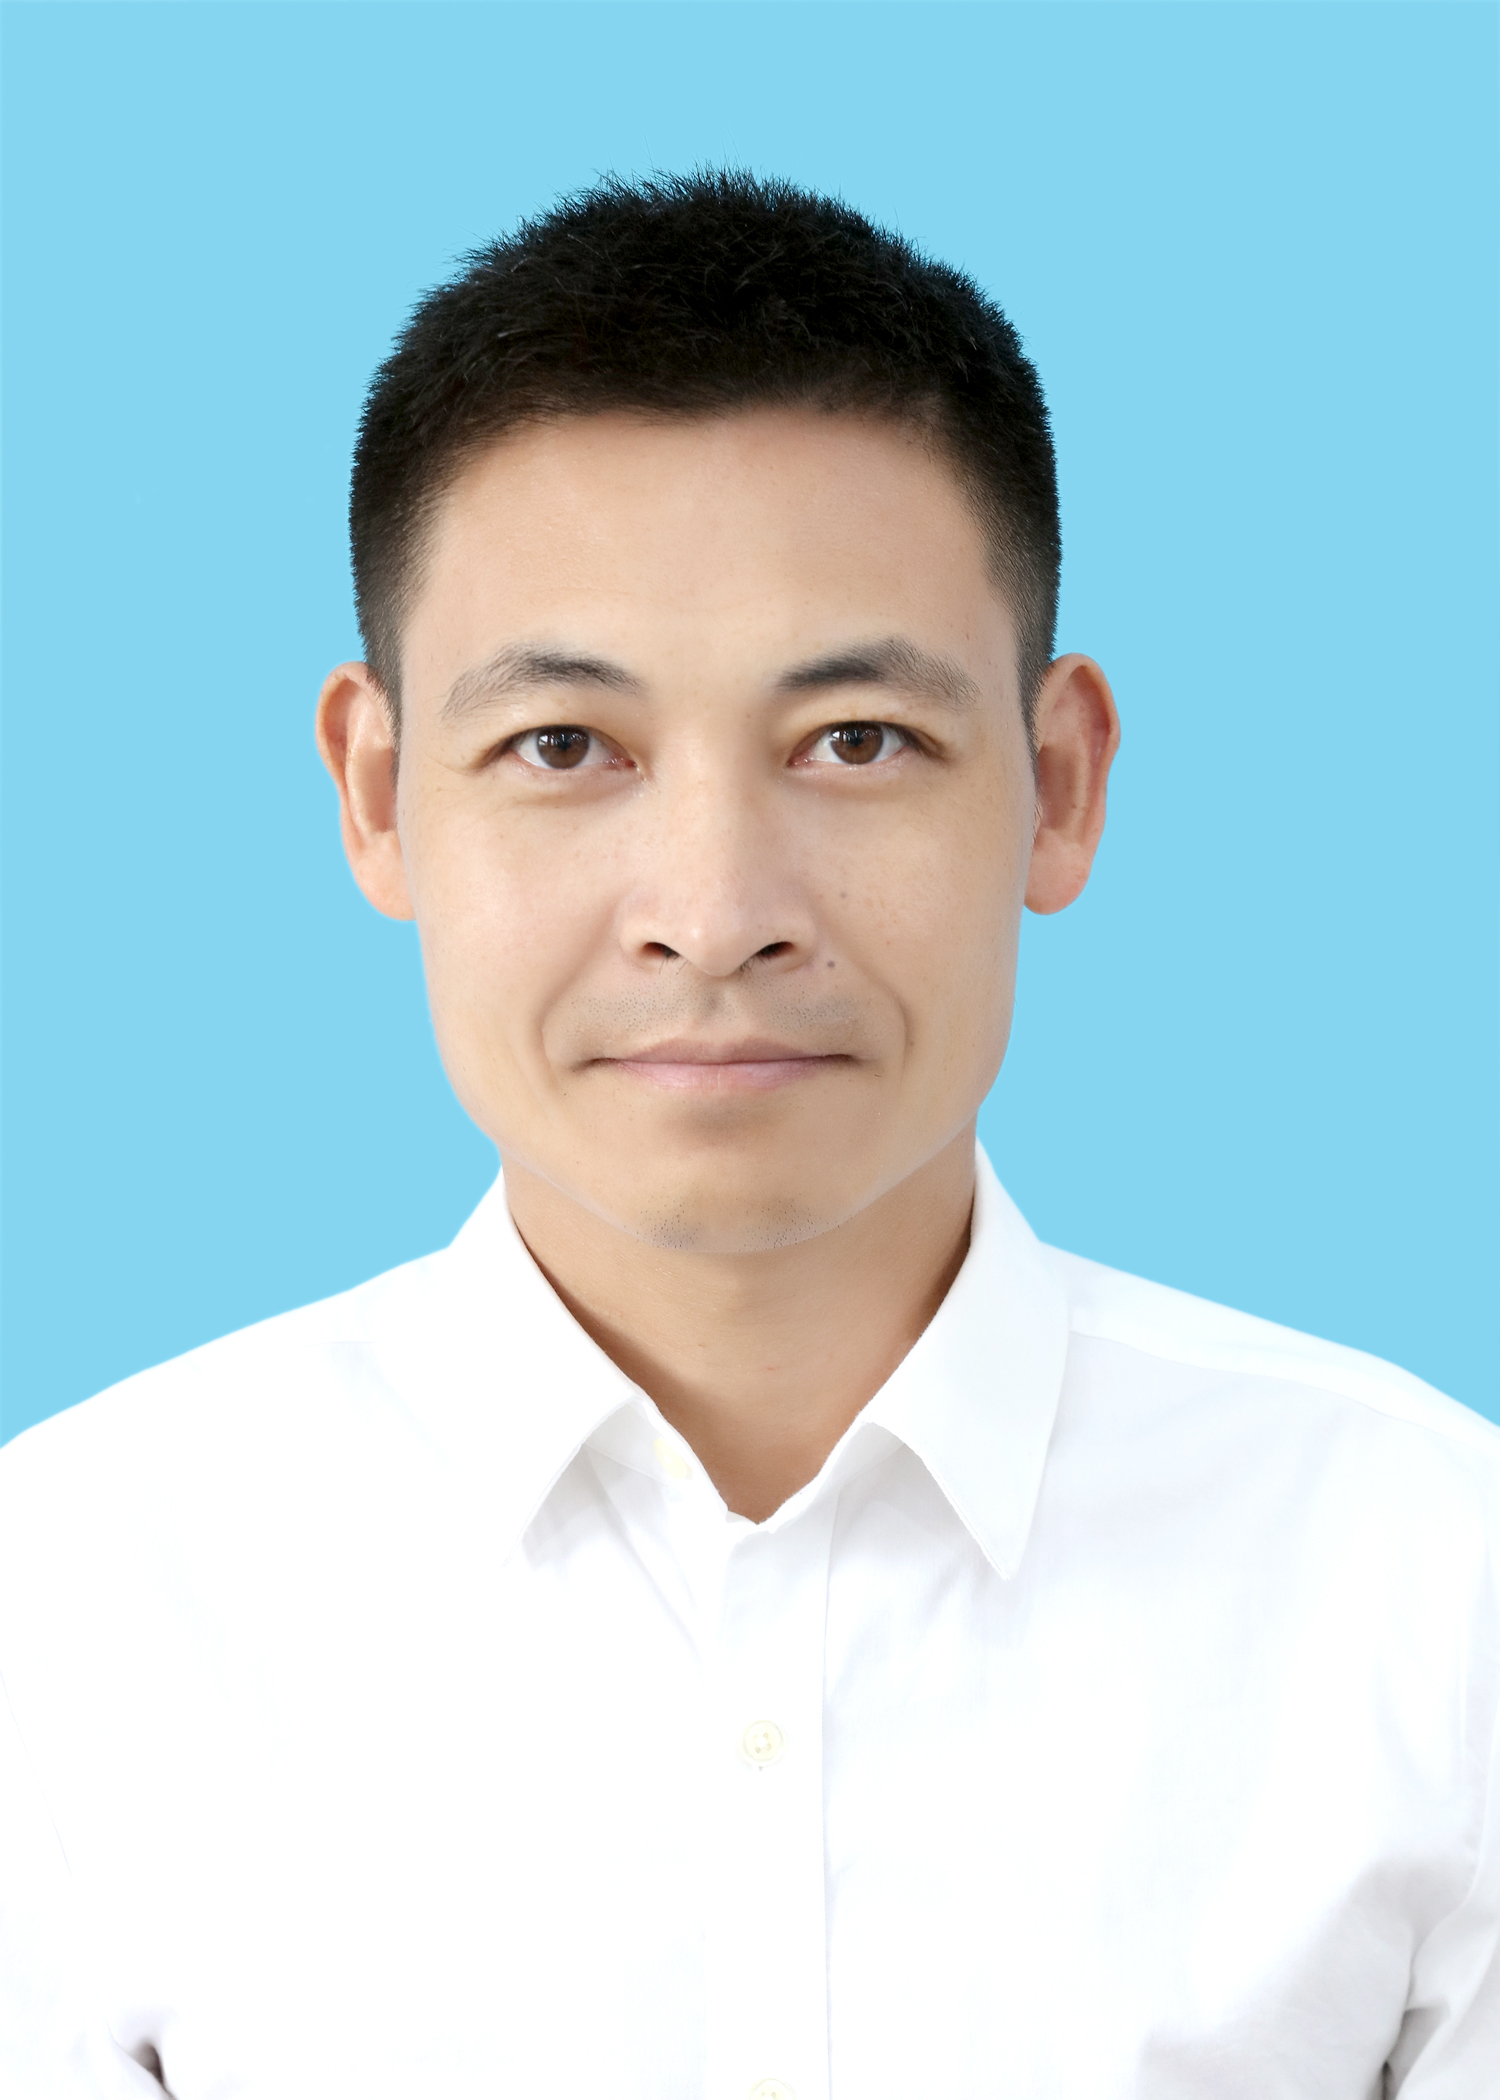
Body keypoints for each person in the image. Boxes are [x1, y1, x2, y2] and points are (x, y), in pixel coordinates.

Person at [1, 171, 1495, 2100]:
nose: (714, 916)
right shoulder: (71, 1612)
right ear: (378, 794)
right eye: (564, 747)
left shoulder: (1436, 1592)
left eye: (857, 741)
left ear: (1055, 785)